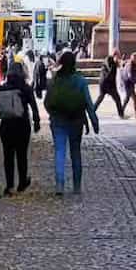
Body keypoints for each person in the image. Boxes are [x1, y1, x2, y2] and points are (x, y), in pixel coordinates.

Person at [44, 52, 99, 195]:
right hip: (76, 121)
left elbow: (47, 102)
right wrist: (94, 121)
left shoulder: (55, 80)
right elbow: (88, 102)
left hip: (58, 121)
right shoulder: (80, 80)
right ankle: (76, 186)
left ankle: (60, 186)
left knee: (59, 152)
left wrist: (52, 114)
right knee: (76, 153)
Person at [0, 61, 41, 196]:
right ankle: (22, 182)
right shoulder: (26, 88)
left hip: (6, 125)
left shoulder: (4, 88)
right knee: (21, 155)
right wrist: (36, 121)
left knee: (8, 156)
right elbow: (33, 106)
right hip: (22, 125)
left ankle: (9, 186)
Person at [94, 51, 125, 118]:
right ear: (114, 55)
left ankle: (121, 114)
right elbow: (110, 71)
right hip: (105, 83)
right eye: (118, 56)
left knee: (116, 99)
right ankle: (121, 114)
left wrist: (119, 64)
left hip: (110, 84)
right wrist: (114, 62)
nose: (118, 58)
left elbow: (117, 69)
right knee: (101, 98)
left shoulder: (113, 61)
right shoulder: (108, 59)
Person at [119, 53, 136, 118]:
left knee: (134, 98)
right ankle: (121, 112)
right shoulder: (130, 65)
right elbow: (130, 76)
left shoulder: (133, 63)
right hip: (127, 83)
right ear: (134, 59)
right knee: (128, 98)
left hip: (128, 83)